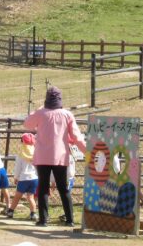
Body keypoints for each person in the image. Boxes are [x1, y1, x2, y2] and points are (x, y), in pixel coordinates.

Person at [24, 86, 86, 227]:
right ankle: (70, 220)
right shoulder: (67, 114)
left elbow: (27, 123)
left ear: (47, 98)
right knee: (63, 188)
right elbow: (76, 136)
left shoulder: (41, 113)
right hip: (60, 156)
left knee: (43, 187)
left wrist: (38, 109)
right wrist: (88, 152)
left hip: (42, 156)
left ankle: (43, 219)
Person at [7, 132, 38, 221]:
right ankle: (33, 214)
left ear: (23, 142)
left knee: (17, 196)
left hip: (24, 178)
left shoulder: (21, 154)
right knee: (30, 197)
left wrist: (16, 177)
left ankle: (11, 211)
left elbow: (18, 168)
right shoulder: (36, 153)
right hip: (34, 178)